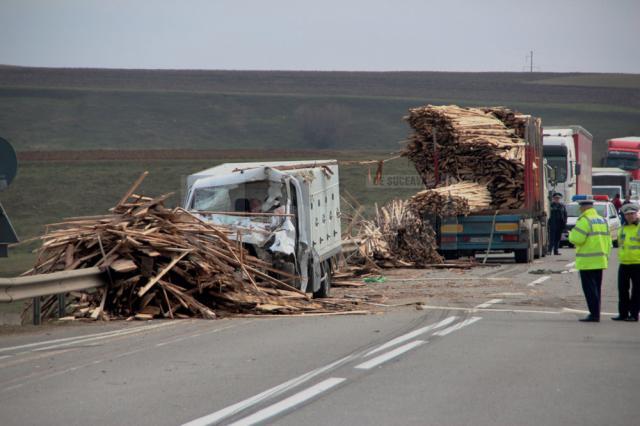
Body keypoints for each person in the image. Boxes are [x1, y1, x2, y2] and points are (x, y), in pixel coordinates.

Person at [568, 196, 612, 322]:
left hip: (587, 262)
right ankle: (596, 313)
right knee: (597, 289)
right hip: (600, 260)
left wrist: (571, 234)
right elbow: (609, 241)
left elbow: (577, 239)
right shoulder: (601, 220)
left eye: (580, 207)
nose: (580, 209)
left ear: (584, 207)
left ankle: (594, 314)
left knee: (590, 290)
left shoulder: (584, 220)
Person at [613, 203, 640, 322]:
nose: (630, 216)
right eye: (628, 214)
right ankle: (623, 313)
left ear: (636, 214)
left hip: (637, 263)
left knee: (637, 291)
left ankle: (634, 314)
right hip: (624, 263)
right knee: (622, 290)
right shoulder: (622, 228)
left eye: (632, 214)